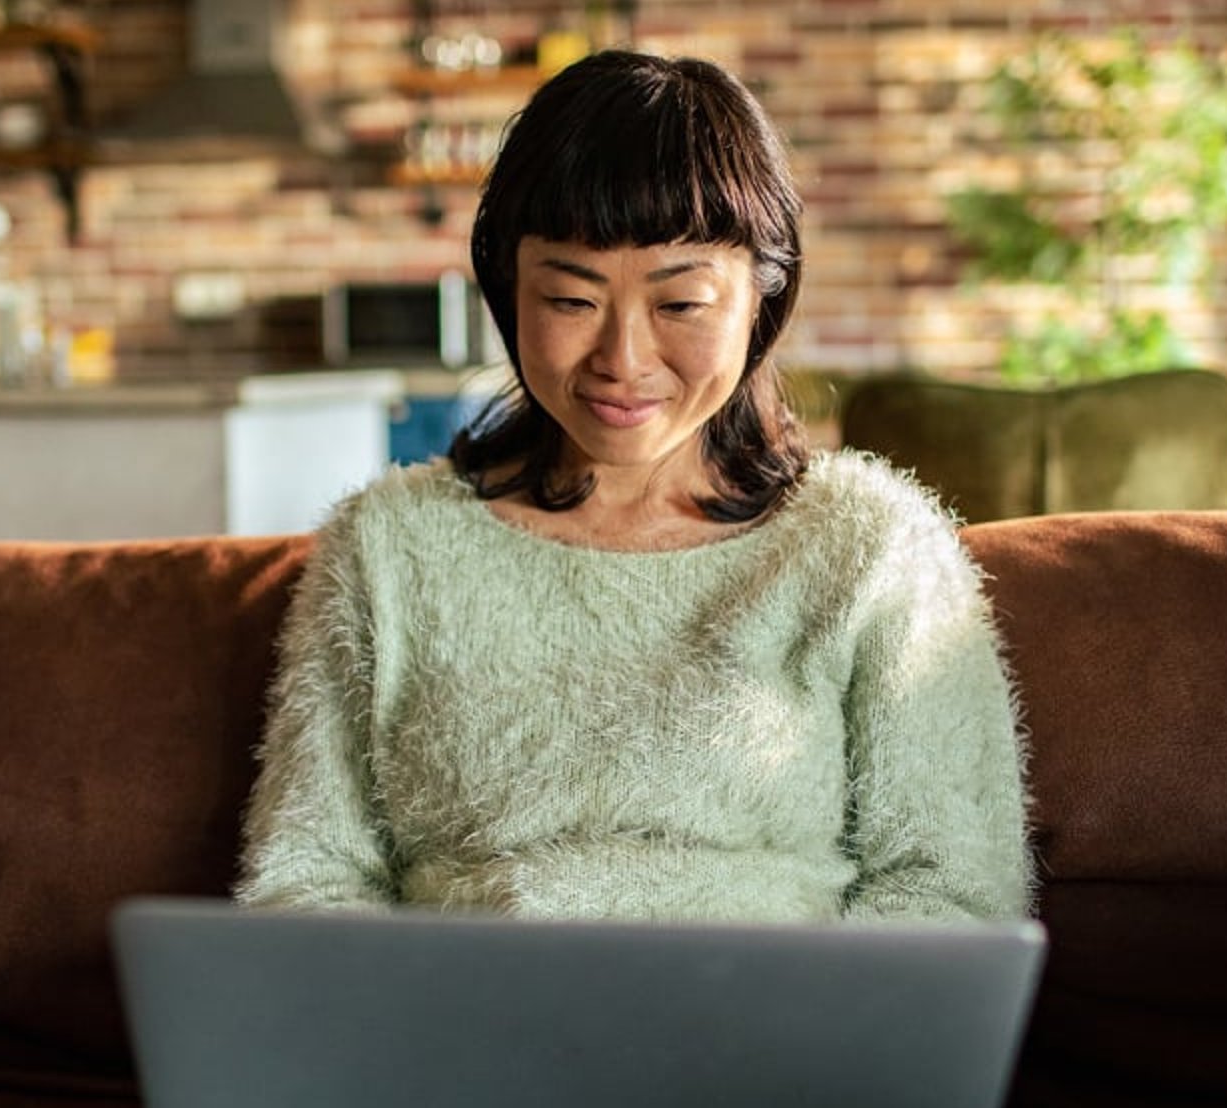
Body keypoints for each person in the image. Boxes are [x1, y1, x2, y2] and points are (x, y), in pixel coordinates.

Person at [235, 49, 1032, 924]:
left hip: (776, 1042)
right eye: (571, 301)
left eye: (681, 304)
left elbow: (954, 892)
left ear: (761, 301)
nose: (623, 361)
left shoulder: (871, 546)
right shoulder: (386, 547)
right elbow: (305, 882)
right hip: (470, 1039)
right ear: (508, 294)